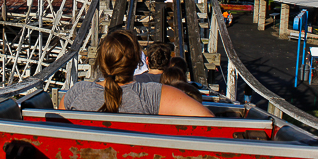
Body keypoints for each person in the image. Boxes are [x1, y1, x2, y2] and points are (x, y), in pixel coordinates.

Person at [60, 30, 213, 117]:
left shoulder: (77, 92)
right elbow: (208, 119)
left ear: (100, 61)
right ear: (138, 63)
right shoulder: (153, 95)